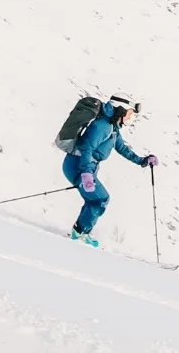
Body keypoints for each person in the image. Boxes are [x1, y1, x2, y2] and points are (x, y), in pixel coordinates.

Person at [62, 93, 158, 247]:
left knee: (94, 199)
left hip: (85, 166)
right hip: (78, 165)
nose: (130, 117)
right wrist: (86, 173)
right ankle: (79, 233)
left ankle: (79, 232)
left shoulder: (112, 127)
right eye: (129, 113)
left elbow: (122, 148)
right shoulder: (102, 126)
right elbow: (87, 148)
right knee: (101, 199)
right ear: (120, 110)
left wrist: (143, 161)